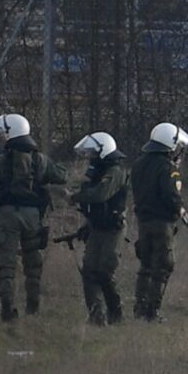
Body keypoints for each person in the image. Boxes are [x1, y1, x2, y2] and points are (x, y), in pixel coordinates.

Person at [0, 113, 67, 322]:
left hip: (8, 215)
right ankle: (33, 308)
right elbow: (62, 175)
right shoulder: (40, 159)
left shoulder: (1, 161)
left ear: (10, 134)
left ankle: (8, 308)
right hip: (34, 216)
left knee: (6, 264)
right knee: (33, 262)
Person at [130, 122, 188, 322]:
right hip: (162, 223)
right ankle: (152, 312)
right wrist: (179, 209)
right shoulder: (167, 168)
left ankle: (139, 309)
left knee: (145, 265)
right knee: (162, 267)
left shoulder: (139, 164)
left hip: (143, 221)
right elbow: (171, 195)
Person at [68, 132, 130, 325]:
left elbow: (100, 194)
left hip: (113, 228)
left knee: (105, 272)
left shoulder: (115, 171)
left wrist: (74, 197)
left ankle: (116, 314)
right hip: (96, 227)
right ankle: (96, 317)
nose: (90, 156)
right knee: (89, 271)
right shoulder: (98, 170)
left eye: (93, 152)